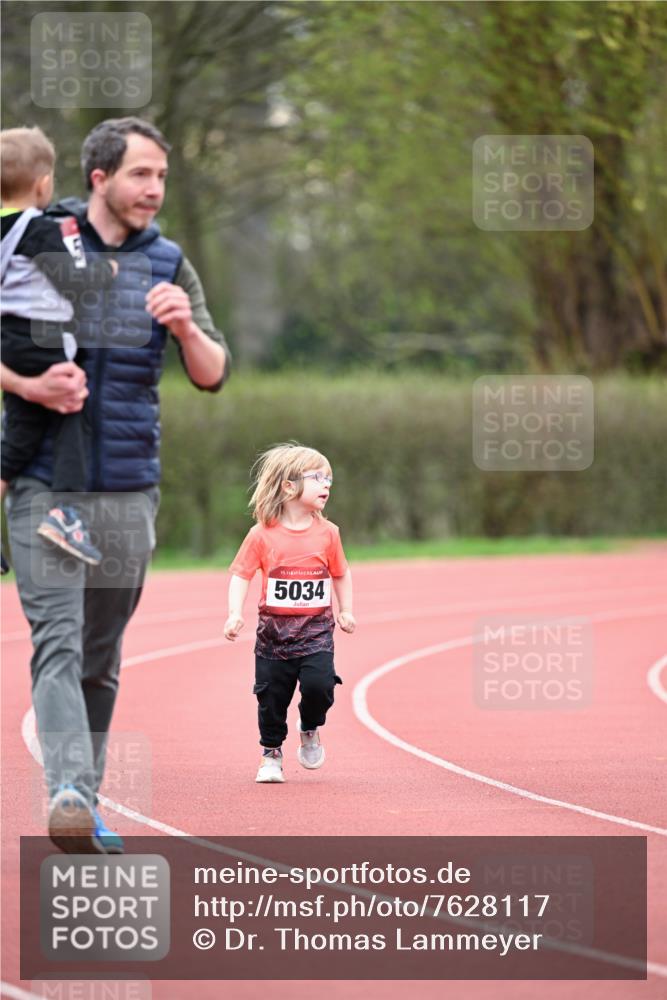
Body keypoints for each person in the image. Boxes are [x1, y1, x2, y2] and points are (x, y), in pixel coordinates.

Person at [1, 117, 231, 853]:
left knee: (100, 658)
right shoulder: (38, 237)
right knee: (59, 643)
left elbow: (213, 373)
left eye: (161, 176)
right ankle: (67, 788)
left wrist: (187, 328)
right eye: (141, 174)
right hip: (44, 481)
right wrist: (28, 386)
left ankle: (83, 804)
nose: (154, 189)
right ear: (98, 178)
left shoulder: (168, 261)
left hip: (130, 490)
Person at [1, 126, 119, 566]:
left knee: (20, 435)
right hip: (40, 339)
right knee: (74, 409)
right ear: (42, 184)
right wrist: (103, 272)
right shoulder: (40, 229)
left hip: (8, 341)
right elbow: (73, 285)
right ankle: (65, 512)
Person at [224, 443, 356, 783]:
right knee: (271, 698)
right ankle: (270, 754)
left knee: (320, 686)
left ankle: (309, 726)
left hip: (316, 633)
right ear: (288, 485)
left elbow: (340, 572)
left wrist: (346, 610)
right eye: (318, 478)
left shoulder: (329, 533)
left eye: (330, 479)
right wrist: (234, 613)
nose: (327, 485)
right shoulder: (261, 534)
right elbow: (241, 574)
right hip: (273, 639)